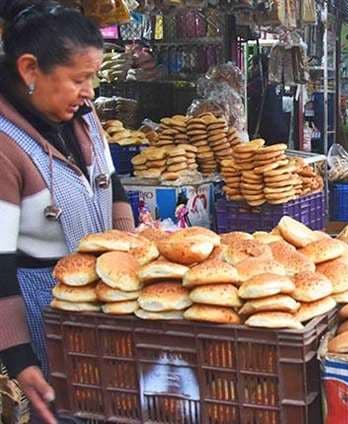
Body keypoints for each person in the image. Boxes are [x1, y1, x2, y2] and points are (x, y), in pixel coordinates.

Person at [0, 2, 135, 422]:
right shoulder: (5, 147)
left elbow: (111, 181)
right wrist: (20, 359)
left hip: (103, 289)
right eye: (79, 78)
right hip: (43, 303)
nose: (90, 90)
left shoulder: (83, 114)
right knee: (68, 411)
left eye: (93, 76)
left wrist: (130, 247)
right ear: (29, 70)